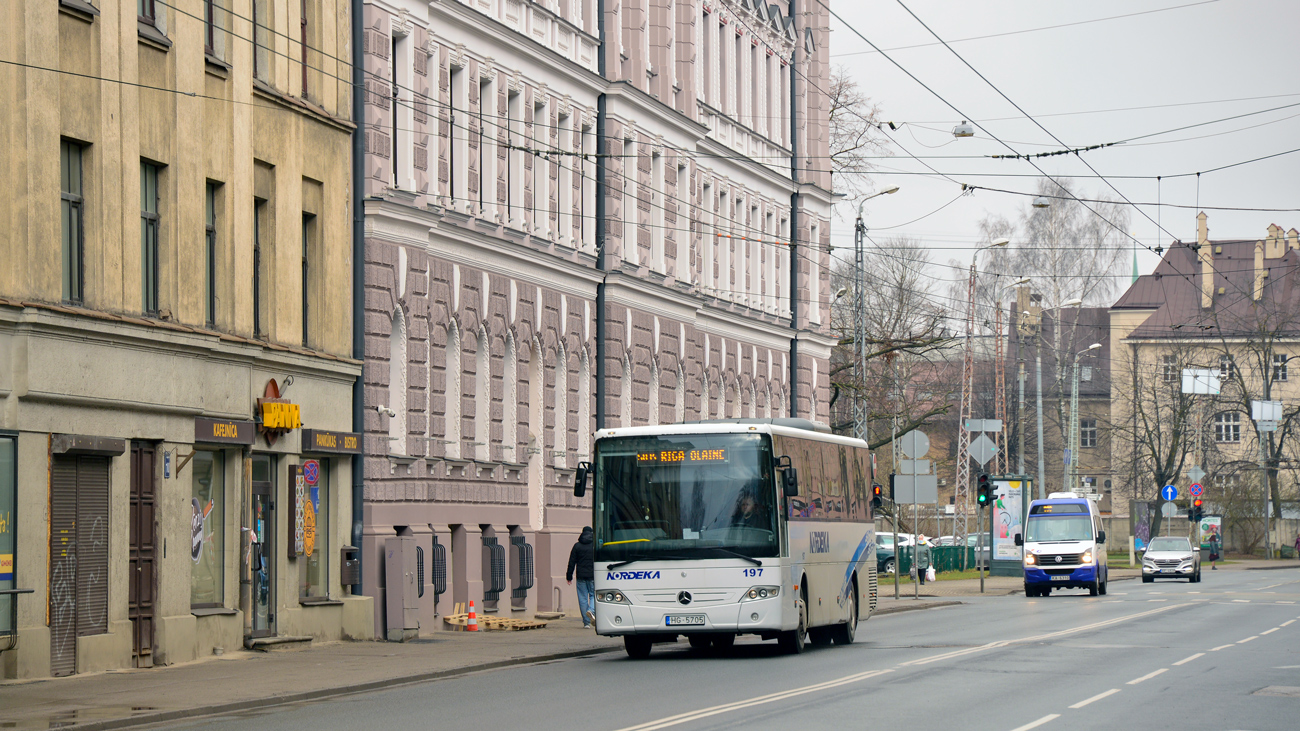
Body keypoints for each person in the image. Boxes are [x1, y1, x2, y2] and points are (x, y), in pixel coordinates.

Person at [566, 526, 596, 627]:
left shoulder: (577, 546)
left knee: (582, 598)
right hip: (593, 576)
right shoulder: (595, 545)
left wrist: (569, 576)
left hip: (581, 576)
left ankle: (586, 622)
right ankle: (591, 610)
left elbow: (571, 562)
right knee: (593, 595)